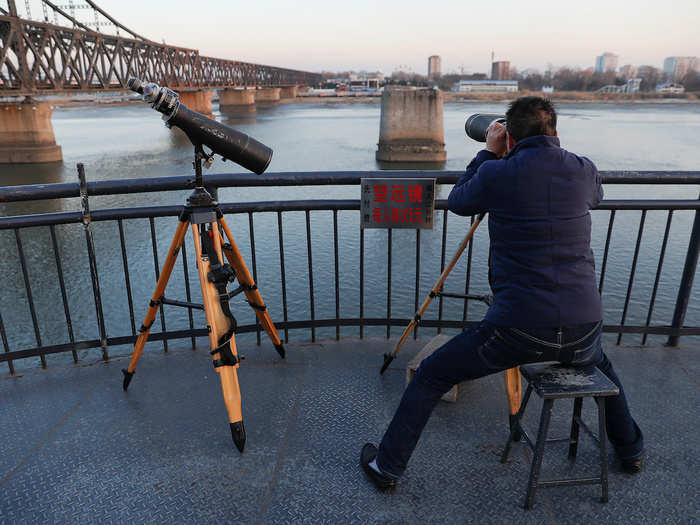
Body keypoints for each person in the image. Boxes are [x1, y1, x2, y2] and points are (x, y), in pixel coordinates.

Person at [360, 96, 644, 491]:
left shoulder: (498, 173)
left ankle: (386, 467)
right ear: (556, 133)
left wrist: (487, 154)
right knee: (601, 366)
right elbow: (597, 196)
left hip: (518, 328)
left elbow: (459, 200)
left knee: (430, 375)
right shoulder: (582, 169)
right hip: (583, 326)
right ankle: (630, 452)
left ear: (508, 137)